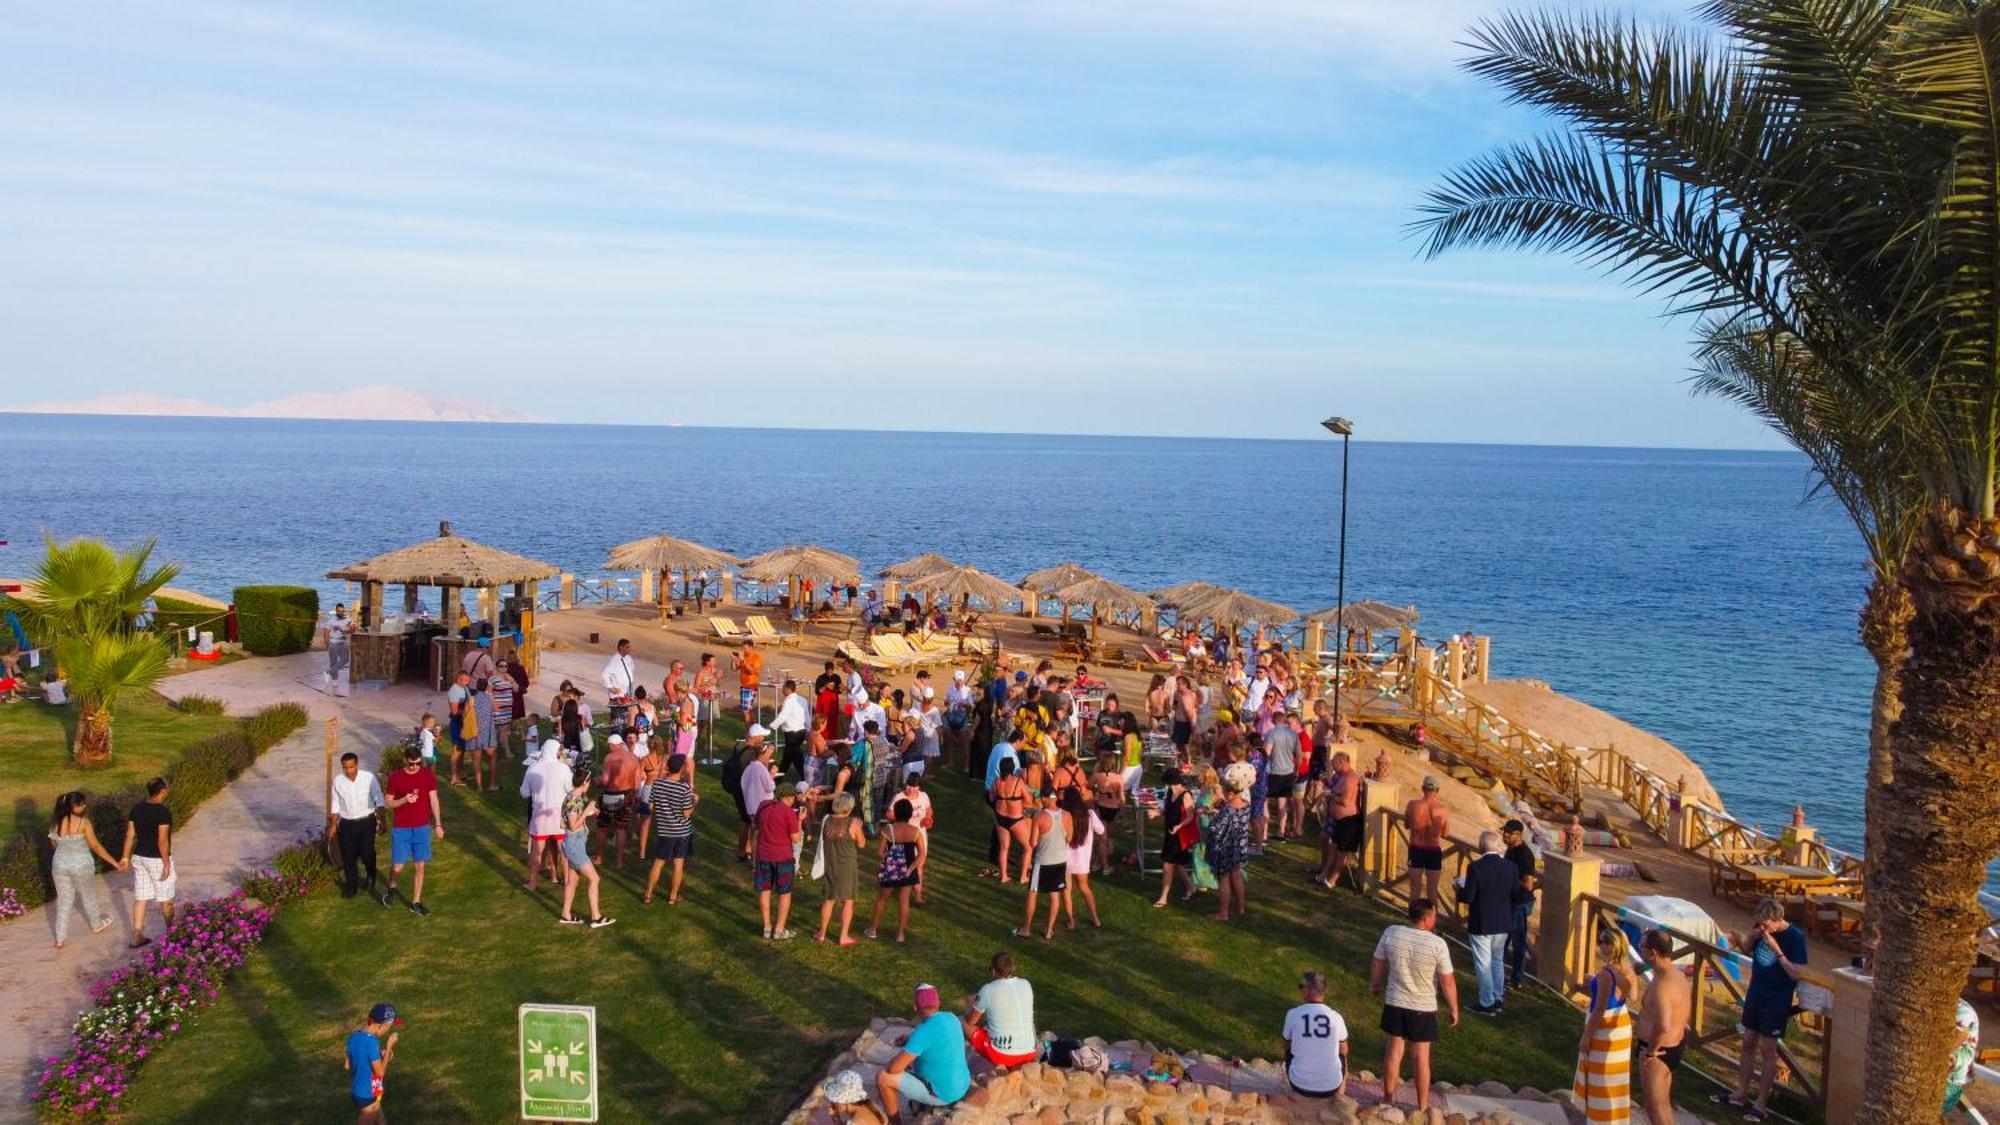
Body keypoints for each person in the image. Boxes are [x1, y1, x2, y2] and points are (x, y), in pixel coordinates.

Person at [1714, 897, 1806, 1119]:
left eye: (1766, 925)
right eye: (1759, 924)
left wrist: (1778, 951)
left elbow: (1797, 973)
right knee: (1747, 1043)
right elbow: (1747, 949)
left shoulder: (1795, 937)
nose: (1763, 928)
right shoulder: (1760, 929)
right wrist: (1750, 937)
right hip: (1756, 992)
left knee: (1767, 1050)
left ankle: (1762, 1103)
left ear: (1778, 920)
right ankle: (1741, 1093)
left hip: (1777, 999)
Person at [1371, 898, 1460, 1114]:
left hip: (1395, 1002)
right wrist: (1454, 1008)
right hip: (1423, 1007)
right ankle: (1422, 1106)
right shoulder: (1437, 944)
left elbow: (1377, 960)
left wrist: (1375, 983)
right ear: (1427, 918)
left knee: (1394, 1051)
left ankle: (1388, 1098)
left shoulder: (1391, 932)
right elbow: (1447, 980)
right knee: (1421, 1058)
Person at [1574, 926, 1640, 1123]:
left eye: (1604, 942)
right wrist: (1596, 982)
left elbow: (1599, 1010)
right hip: (1621, 1023)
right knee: (1617, 1077)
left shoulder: (1607, 974)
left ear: (1614, 946)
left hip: (1604, 1027)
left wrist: (1586, 1037)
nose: (1600, 945)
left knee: (1599, 1078)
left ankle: (1599, 1120)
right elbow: (1634, 996)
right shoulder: (1628, 969)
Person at [876, 983, 969, 1122]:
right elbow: (937, 1039)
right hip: (962, 1085)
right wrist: (911, 1040)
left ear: (915, 1006)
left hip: (943, 1095)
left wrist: (896, 1059)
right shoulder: (952, 1017)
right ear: (938, 1002)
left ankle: (895, 1122)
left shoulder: (922, 1032)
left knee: (883, 1077)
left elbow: (894, 1069)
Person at [47, 791, 121, 948]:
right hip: (81, 865)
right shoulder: (83, 823)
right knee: (88, 895)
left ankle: (60, 938)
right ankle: (96, 924)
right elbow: (95, 846)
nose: (84, 806)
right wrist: (114, 863)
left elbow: (54, 845)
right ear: (74, 806)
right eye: (81, 804)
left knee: (64, 900)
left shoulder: (55, 823)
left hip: (59, 865)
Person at [1633, 929, 1689, 1125]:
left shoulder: (1662, 985)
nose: (1638, 949)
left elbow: (1663, 1024)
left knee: (1655, 1109)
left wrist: (1650, 1052)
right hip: (1673, 1045)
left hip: (1657, 1051)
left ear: (1652, 953)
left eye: (1641, 947)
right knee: (1663, 1105)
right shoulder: (1676, 975)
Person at [1460, 830, 1518, 1015]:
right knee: (1497, 961)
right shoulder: (1510, 867)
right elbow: (1515, 892)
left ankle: (1486, 1002)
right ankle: (1497, 997)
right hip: (1502, 921)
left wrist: (1458, 888)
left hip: (1482, 922)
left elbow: (1469, 897)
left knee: (1483, 963)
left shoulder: (1475, 867)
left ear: (1480, 846)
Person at [384, 747, 443, 917]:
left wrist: (438, 824)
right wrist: (404, 800)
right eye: (411, 764)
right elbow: (388, 803)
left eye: (418, 763)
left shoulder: (427, 775)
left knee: (420, 865)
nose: (415, 767)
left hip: (422, 827)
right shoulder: (396, 778)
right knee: (398, 866)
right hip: (401, 827)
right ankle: (391, 888)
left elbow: (434, 799)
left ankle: (415, 902)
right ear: (405, 761)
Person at [121, 777, 175, 946]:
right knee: (165, 898)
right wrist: (166, 863)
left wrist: (125, 857)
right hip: (157, 859)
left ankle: (137, 936)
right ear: (162, 791)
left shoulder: (136, 809)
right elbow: (162, 841)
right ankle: (173, 935)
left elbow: (130, 835)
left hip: (139, 857)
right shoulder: (163, 812)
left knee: (141, 897)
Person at [556, 771, 614, 928]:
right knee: (594, 879)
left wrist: (594, 812)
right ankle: (596, 917)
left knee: (572, 880)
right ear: (585, 782)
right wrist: (587, 812)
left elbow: (583, 814)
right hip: (574, 845)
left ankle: (566, 915)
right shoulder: (573, 800)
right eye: (589, 781)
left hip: (576, 843)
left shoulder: (578, 796)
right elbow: (573, 825)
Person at [963, 952, 1038, 1069]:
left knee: (961, 1021)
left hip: (1002, 1055)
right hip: (1030, 1051)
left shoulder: (988, 989)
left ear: (993, 971)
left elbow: (971, 1021)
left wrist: (969, 1004)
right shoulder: (1026, 984)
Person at [1282, 970, 1350, 1099]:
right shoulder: (1336, 1017)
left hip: (1298, 1084)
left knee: (1289, 1050)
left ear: (1310, 990)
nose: (1300, 990)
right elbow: (1344, 1050)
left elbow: (1285, 1045)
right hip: (1331, 1086)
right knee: (1342, 1054)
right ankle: (1340, 1095)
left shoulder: (1293, 1014)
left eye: (1301, 986)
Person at [328, 751, 386, 902]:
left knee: (367, 852)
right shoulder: (338, 781)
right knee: (348, 856)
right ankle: (351, 886)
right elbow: (335, 804)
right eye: (345, 767)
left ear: (357, 765)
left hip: (366, 821)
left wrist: (382, 820)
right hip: (347, 823)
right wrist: (333, 825)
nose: (348, 770)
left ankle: (371, 875)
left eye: (351, 767)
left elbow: (378, 798)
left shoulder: (369, 778)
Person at [866, 798, 925, 942]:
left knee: (882, 899)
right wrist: (911, 868)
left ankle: (873, 929)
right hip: (908, 871)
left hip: (891, 870)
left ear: (896, 813)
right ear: (910, 814)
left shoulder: (888, 830)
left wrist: (890, 859)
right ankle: (900, 934)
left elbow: (880, 853)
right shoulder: (915, 831)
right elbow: (922, 853)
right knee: (904, 901)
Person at [643, 753, 697, 905]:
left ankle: (648, 894)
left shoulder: (658, 783)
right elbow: (686, 814)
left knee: (658, 862)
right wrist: (695, 803)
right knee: (678, 863)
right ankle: (672, 896)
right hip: (681, 832)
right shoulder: (684, 787)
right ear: (681, 769)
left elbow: (651, 806)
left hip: (664, 830)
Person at [815, 791, 867, 945]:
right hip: (846, 866)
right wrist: (860, 828)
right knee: (848, 901)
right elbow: (862, 844)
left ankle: (822, 933)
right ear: (849, 806)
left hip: (830, 863)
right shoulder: (853, 823)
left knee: (829, 899)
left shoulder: (826, 820)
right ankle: (843, 936)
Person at [521, 739, 572, 894]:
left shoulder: (532, 768)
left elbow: (524, 793)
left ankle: (533, 882)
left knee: (537, 851)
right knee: (563, 851)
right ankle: (567, 879)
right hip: (558, 815)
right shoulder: (563, 768)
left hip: (539, 815)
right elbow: (570, 790)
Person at [1016, 794, 1070, 940]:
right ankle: (1049, 930)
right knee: (1054, 895)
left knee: (1033, 893)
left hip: (1043, 861)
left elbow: (1032, 843)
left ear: (1045, 798)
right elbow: (1070, 838)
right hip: (1060, 860)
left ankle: (1026, 929)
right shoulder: (1067, 815)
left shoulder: (1039, 817)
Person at [755, 783, 804, 939]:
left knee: (764, 890)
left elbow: (756, 827)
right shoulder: (788, 813)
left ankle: (767, 927)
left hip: (763, 855)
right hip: (783, 857)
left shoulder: (763, 806)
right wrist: (800, 821)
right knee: (784, 893)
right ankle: (779, 929)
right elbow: (796, 839)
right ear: (788, 797)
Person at [1207, 761, 1253, 923]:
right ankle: (1240, 908)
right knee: (1237, 876)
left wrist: (1210, 817)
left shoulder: (1227, 809)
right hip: (1239, 847)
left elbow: (1217, 829)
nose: (1223, 795)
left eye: (1225, 793)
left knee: (1224, 879)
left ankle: (1223, 914)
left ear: (1231, 794)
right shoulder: (1246, 805)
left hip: (1225, 848)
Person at [1149, 768, 1198, 907]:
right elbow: (1167, 810)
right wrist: (1156, 813)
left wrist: (1179, 826)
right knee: (1178, 864)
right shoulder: (1170, 792)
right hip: (1170, 833)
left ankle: (1163, 897)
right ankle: (1191, 887)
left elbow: (1190, 816)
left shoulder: (1186, 795)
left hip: (1179, 835)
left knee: (1168, 865)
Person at [344, 1003, 399, 1123]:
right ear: (381, 1025)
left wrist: (381, 1056)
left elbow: (347, 1065)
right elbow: (379, 1073)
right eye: (389, 1027)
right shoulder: (372, 1042)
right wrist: (389, 1047)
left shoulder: (354, 1036)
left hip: (368, 1087)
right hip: (366, 1093)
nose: (388, 1030)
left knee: (381, 1119)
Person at [1317, 750, 1363, 890]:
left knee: (1341, 852)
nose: (1332, 766)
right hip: (1339, 820)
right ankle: (1324, 874)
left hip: (1348, 821)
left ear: (1341, 761)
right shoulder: (1340, 776)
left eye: (1334, 763)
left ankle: (1333, 879)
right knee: (1333, 848)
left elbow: (1345, 801)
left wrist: (1330, 795)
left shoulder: (1350, 779)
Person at [1502, 819, 1538, 990]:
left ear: (1518, 835)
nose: (1505, 835)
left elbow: (1528, 884)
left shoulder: (1524, 854)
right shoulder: (1510, 850)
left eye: (1508, 833)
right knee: (1503, 938)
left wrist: (1508, 879)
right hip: (1511, 901)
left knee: (1518, 942)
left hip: (1520, 902)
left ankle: (1516, 979)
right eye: (1504, 832)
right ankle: (1500, 972)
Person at [598, 734, 643, 869]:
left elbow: (605, 780)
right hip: (628, 793)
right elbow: (637, 780)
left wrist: (598, 781)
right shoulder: (633, 757)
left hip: (611, 795)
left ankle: (599, 857)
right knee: (621, 828)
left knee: (602, 826)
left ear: (612, 745)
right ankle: (619, 861)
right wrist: (634, 796)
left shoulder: (609, 758)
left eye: (609, 746)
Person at [1061, 787, 1103, 928]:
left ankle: (1071, 921)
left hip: (1065, 858)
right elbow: (1101, 830)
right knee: (1084, 887)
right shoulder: (1089, 814)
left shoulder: (1064, 815)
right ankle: (1095, 918)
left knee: (1067, 890)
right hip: (1082, 860)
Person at [1404, 776, 1449, 904]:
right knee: (1432, 891)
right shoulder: (1443, 810)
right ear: (1437, 790)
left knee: (1415, 889)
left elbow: (1407, 825)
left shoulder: (1412, 805)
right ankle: (1432, 922)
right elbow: (1445, 834)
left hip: (1416, 849)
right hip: (1433, 851)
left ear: (1423, 788)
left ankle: (1412, 920)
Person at [1264, 710, 1302, 841]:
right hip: (1288, 772)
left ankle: (1264, 833)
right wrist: (1296, 769)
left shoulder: (1271, 733)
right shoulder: (1293, 734)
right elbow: (1299, 755)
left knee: (1265, 802)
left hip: (1274, 771)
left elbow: (1267, 752)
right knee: (1283, 803)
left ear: (1274, 721)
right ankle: (1281, 831)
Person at [771, 679, 811, 780]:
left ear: (788, 689)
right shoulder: (803, 699)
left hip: (792, 734)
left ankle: (806, 778)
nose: (782, 690)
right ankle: (780, 775)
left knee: (797, 758)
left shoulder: (788, 700)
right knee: (787, 757)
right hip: (801, 732)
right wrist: (809, 728)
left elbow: (783, 715)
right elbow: (807, 716)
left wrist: (772, 726)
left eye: (783, 688)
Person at [602, 637, 638, 727]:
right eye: (627, 647)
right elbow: (605, 674)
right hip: (617, 694)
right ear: (621, 647)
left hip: (627, 693)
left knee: (627, 716)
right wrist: (610, 687)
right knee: (618, 719)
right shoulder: (614, 660)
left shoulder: (628, 658)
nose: (629, 649)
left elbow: (632, 669)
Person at [445, 671, 472, 786]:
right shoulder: (454, 691)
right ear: (458, 679)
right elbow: (454, 711)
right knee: (456, 750)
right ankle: (454, 776)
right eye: (465, 680)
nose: (467, 682)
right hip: (457, 723)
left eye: (468, 680)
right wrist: (468, 709)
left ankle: (459, 772)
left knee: (462, 749)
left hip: (464, 722)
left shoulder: (464, 688)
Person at [325, 603, 354, 697]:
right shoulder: (331, 620)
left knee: (345, 660)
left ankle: (328, 672)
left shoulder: (348, 619)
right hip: (333, 643)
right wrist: (327, 645)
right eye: (339, 611)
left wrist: (346, 630)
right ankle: (334, 682)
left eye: (343, 611)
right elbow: (326, 633)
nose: (341, 612)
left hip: (342, 642)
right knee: (333, 662)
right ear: (336, 611)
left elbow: (353, 629)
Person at [733, 638, 763, 719]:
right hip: (744, 685)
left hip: (750, 686)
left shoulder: (756, 658)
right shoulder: (744, 657)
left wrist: (743, 660)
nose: (743, 650)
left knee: (745, 711)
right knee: (748, 709)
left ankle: (748, 730)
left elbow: (752, 671)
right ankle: (752, 729)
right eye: (742, 648)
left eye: (745, 648)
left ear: (751, 648)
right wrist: (734, 660)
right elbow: (734, 669)